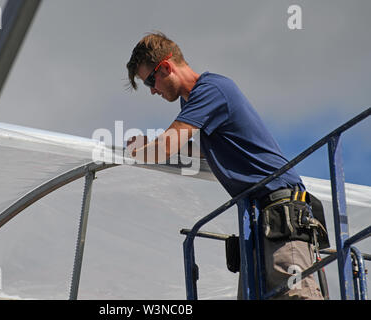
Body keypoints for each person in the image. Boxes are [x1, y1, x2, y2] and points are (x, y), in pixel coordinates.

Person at [125, 31, 324, 300]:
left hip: (281, 213)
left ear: (166, 67)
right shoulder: (194, 100)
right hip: (261, 219)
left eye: (151, 80)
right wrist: (152, 145)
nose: (152, 90)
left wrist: (138, 151)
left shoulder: (210, 91)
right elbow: (201, 150)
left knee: (296, 296)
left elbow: (167, 147)